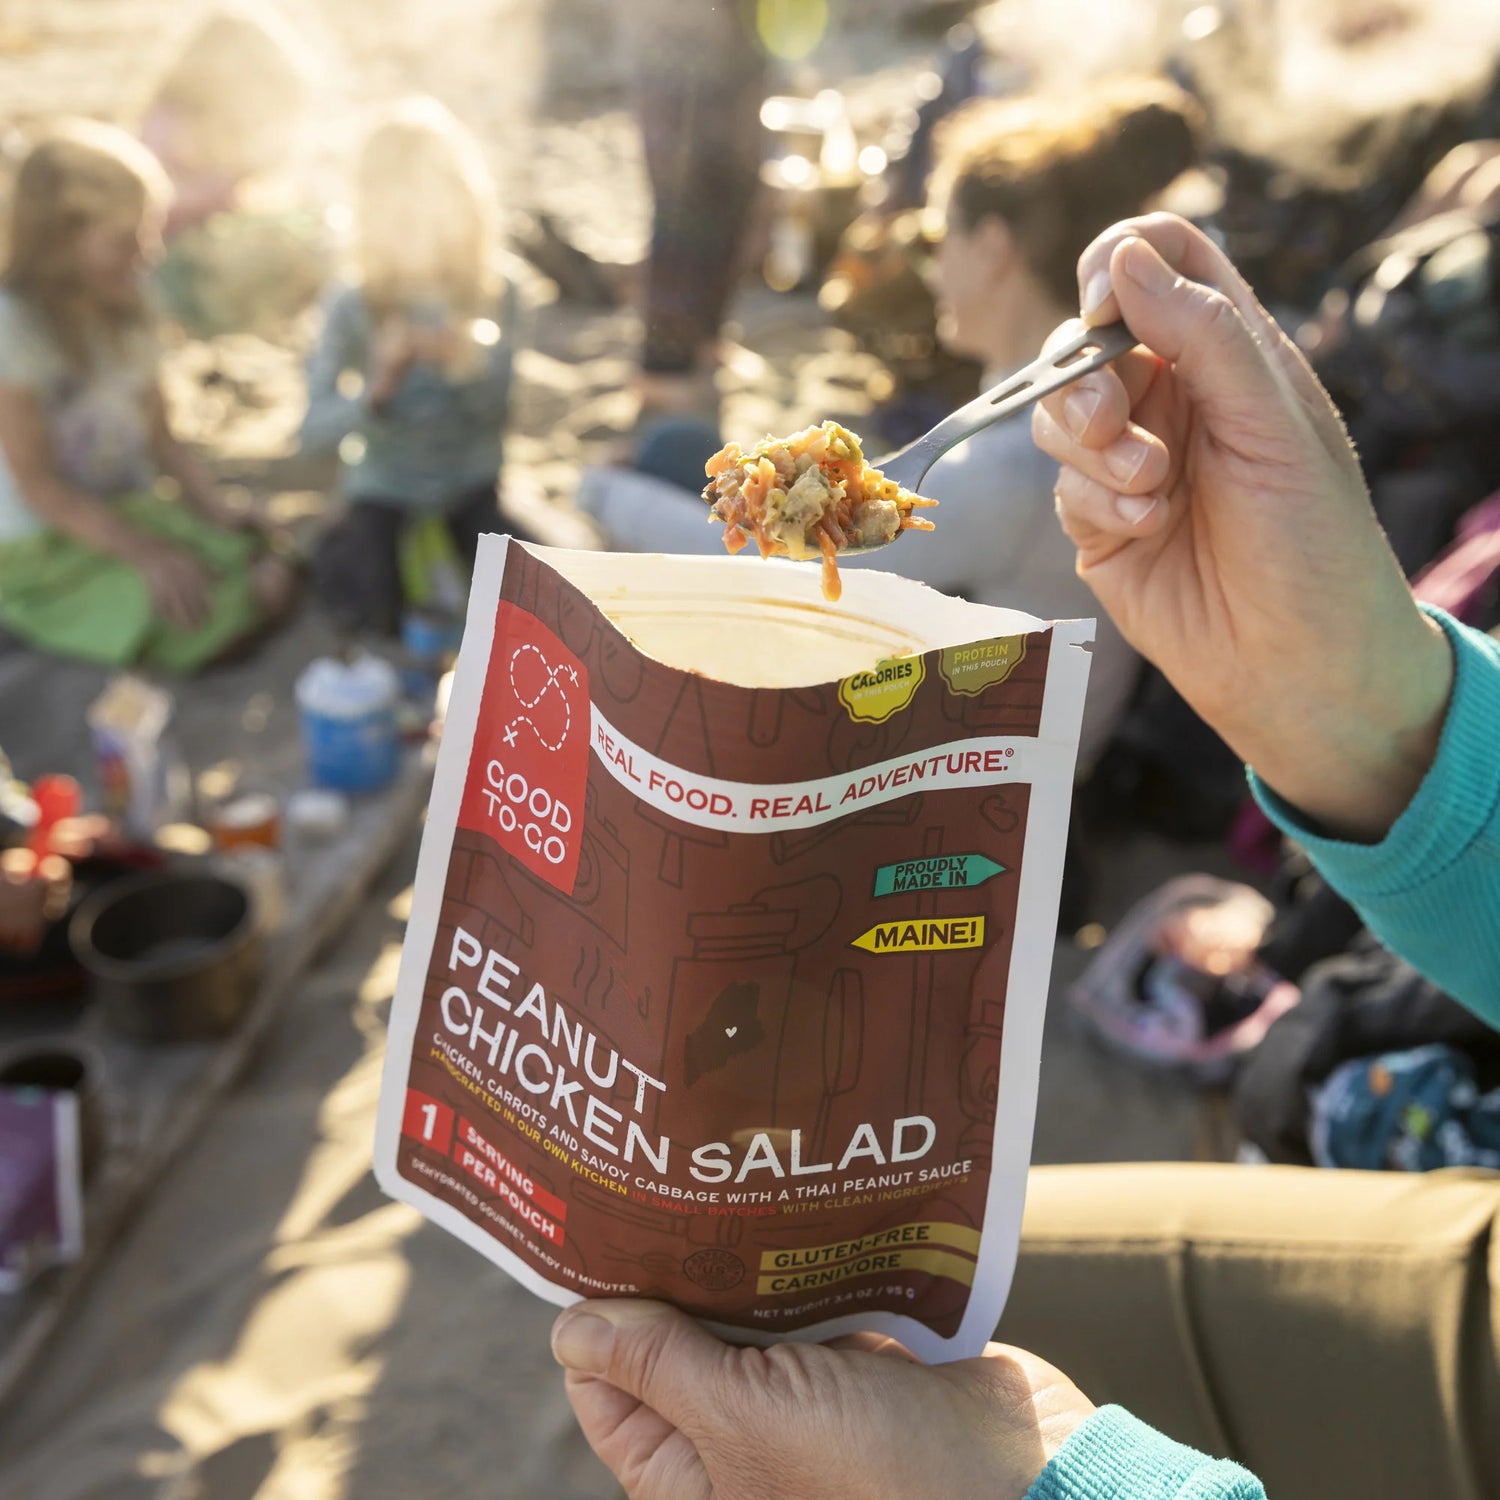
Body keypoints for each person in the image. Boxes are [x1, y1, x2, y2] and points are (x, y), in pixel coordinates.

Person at [548, 213, 1500, 1499]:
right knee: (885, 1279)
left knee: (845, 1320)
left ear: (996, 240)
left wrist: (1035, 1483)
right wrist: (1366, 702)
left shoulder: (987, 483)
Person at [0, 122, 296, 674]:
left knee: (267, 563)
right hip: (44, 546)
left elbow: (162, 437)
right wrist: (145, 553)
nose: (148, 253)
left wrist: (215, 509)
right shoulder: (14, 327)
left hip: (129, 507)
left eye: (149, 231)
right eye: (124, 240)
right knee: (203, 613)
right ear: (60, 240)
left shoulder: (132, 303)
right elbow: (39, 484)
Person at [299, 98, 533, 637]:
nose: (420, 233)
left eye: (433, 212)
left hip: (471, 488)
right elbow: (312, 434)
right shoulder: (352, 303)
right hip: (385, 490)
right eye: (401, 218)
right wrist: (378, 387)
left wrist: (465, 364)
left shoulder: (498, 289)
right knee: (366, 602)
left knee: (520, 596)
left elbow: (500, 418)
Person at [136, 5, 326, 337]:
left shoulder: (223, 130)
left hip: (206, 256)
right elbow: (162, 203)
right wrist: (234, 185)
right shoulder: (169, 124)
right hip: (164, 261)